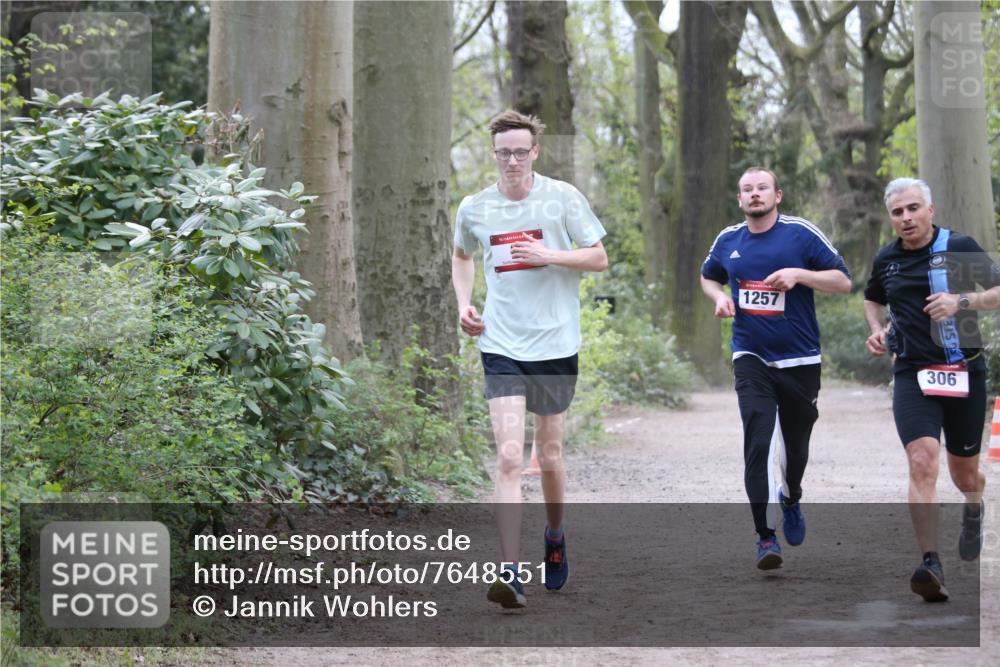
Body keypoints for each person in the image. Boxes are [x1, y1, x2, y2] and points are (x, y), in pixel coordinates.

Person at [451, 110, 608, 608]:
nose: (513, 160)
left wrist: (550, 255)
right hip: (501, 345)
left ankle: (556, 536)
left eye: (521, 151)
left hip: (557, 344)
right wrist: (464, 304)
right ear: (493, 155)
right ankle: (510, 570)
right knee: (507, 457)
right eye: (504, 152)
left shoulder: (562, 198)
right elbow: (462, 255)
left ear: (535, 152)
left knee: (551, 455)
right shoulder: (475, 207)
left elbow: (599, 256)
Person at [700, 167, 851, 570]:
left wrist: (799, 274)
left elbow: (843, 281)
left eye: (761, 188)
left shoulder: (800, 233)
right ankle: (765, 537)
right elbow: (708, 276)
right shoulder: (728, 239)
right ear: (739, 199)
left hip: (800, 358)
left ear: (777, 195)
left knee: (796, 447)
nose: (754, 194)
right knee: (758, 439)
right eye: (747, 189)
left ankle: (792, 495)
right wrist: (718, 297)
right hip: (750, 354)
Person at [863, 177, 1000, 602]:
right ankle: (930, 563)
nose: (906, 218)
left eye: (913, 208)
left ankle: (973, 506)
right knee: (922, 461)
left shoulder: (958, 247)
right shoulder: (887, 259)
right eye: (898, 212)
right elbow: (872, 298)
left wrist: (961, 302)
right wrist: (876, 332)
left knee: (964, 474)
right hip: (912, 375)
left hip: (963, 372)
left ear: (930, 209)